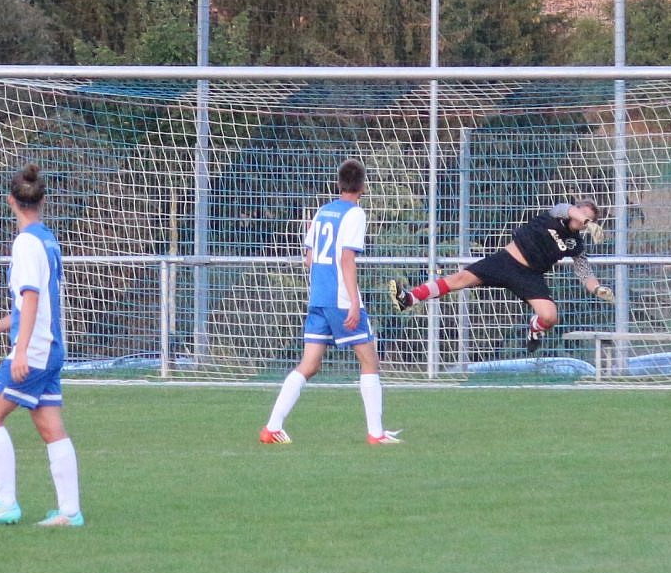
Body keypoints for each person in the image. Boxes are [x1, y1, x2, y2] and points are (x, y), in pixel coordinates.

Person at [0, 165, 82, 528]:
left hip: (36, 349)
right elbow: (34, 302)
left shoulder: (26, 242)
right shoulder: (47, 239)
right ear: (42, 201)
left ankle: (5, 504)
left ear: (10, 201)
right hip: (52, 346)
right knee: (49, 426)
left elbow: (30, 298)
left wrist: (22, 350)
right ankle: (70, 511)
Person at [261, 158, 400, 446]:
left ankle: (272, 428)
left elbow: (309, 259)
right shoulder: (355, 214)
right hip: (341, 299)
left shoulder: (323, 211)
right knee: (370, 361)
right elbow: (347, 258)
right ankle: (376, 433)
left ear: (339, 184)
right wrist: (353, 302)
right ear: (363, 187)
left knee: (309, 364)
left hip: (318, 297)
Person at [390, 199, 613, 354]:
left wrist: (597, 289)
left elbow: (585, 273)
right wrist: (588, 222)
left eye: (589, 219)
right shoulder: (558, 213)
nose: (584, 220)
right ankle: (408, 298)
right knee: (458, 279)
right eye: (583, 215)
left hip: (530, 276)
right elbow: (567, 209)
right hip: (505, 261)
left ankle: (534, 329)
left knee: (550, 316)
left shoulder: (577, 244)